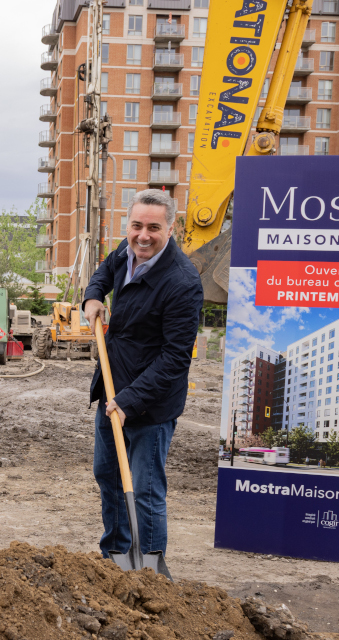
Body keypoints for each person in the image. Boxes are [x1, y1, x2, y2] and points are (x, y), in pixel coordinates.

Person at [83, 189, 203, 560]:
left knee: (145, 489)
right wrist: (93, 295)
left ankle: (149, 565)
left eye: (153, 227)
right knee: (109, 477)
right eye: (136, 226)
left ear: (171, 229)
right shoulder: (128, 249)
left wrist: (128, 402)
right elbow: (105, 269)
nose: (142, 236)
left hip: (149, 406)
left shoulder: (182, 283)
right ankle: (115, 557)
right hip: (112, 390)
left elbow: (174, 359)